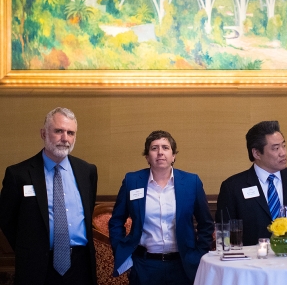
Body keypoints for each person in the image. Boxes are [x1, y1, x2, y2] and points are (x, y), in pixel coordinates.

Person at [0, 107, 98, 285]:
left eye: (70, 133)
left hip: (80, 265)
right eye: (58, 131)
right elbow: (7, 220)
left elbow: (88, 210)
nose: (65, 138)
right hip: (37, 266)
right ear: (43, 133)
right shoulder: (18, 174)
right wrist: (29, 248)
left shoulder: (87, 171)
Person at [109, 130, 214, 285]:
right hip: (143, 265)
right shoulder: (132, 181)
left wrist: (197, 255)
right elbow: (116, 221)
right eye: (154, 148)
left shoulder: (192, 182)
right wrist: (123, 252)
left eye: (165, 147)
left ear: (173, 156)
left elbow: (206, 224)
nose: (160, 153)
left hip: (182, 265)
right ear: (147, 157)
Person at [216, 120, 287, 245]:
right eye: (276, 148)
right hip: (251, 262)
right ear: (257, 153)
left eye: (284, 146)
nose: (283, 153)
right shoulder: (233, 187)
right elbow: (226, 237)